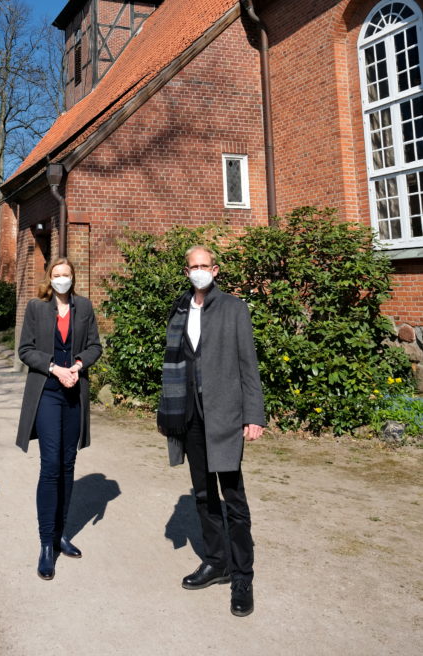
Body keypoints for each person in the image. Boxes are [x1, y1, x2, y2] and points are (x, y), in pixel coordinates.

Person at [157, 245, 265, 617]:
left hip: (224, 414)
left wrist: (254, 415)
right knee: (203, 494)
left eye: (205, 265)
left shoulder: (233, 308)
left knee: (233, 497)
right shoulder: (180, 308)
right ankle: (217, 562)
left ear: (215, 270)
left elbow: (248, 365)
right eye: (193, 266)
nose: (199, 271)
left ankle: (242, 575)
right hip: (190, 416)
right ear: (186, 272)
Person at [16, 256, 102, 580]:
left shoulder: (84, 307)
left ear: (73, 278)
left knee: (68, 466)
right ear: (49, 277)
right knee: (50, 466)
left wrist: (78, 366)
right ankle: (46, 543)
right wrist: (54, 367)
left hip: (74, 393)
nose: (61, 279)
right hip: (47, 393)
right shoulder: (36, 308)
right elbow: (25, 350)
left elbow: (95, 346)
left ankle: (61, 534)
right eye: (57, 274)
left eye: (66, 275)